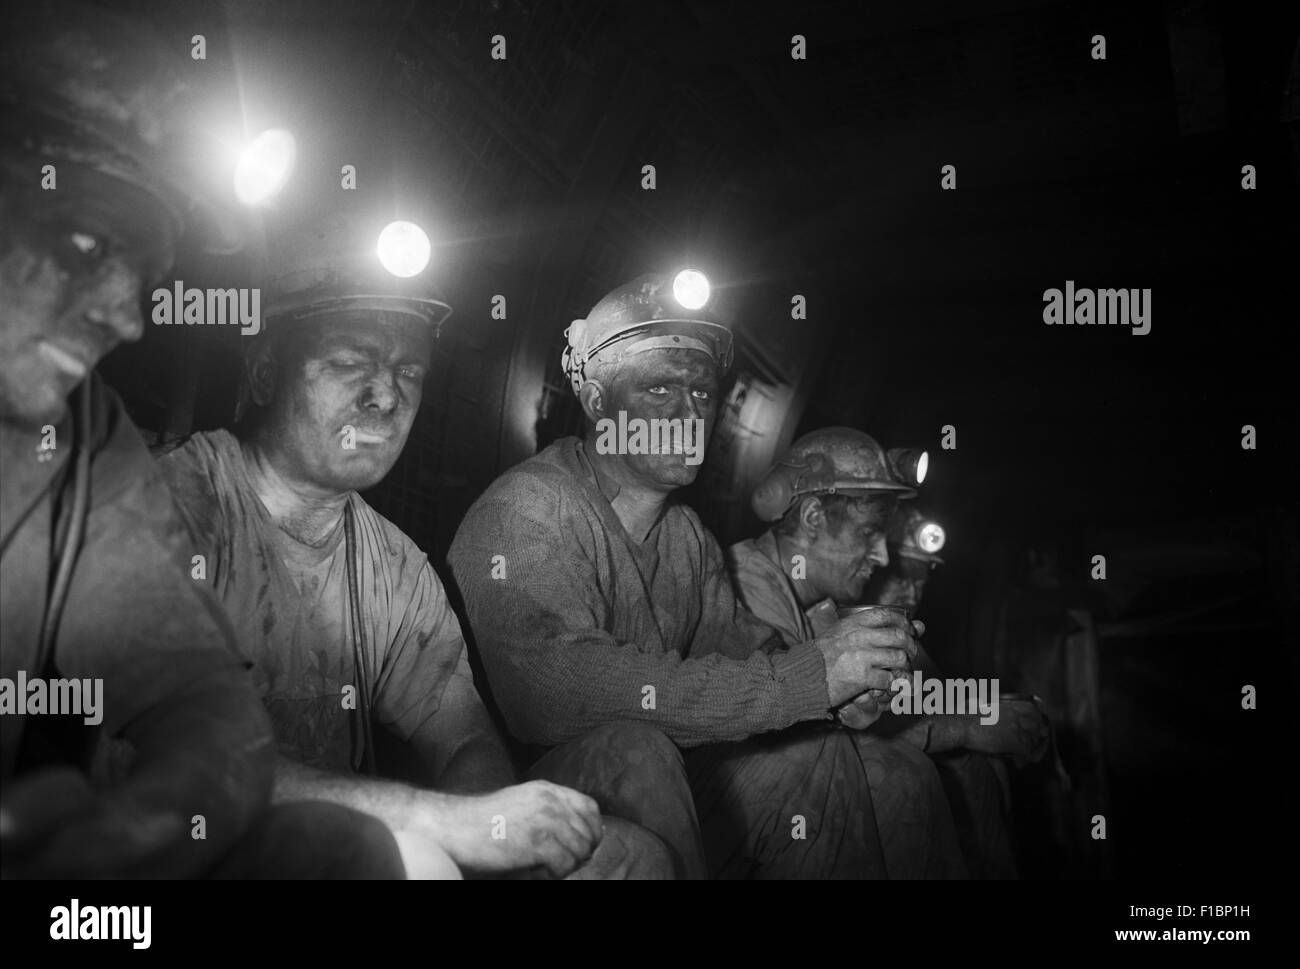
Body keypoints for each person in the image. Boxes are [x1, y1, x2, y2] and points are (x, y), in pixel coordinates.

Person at [1, 1, 403, 879]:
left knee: (341, 855)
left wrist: (140, 826)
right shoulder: (198, 480)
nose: (128, 315)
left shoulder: (85, 435)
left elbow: (199, 699)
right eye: (84, 243)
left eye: (146, 274)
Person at [157, 213, 670, 879]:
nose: (387, 394)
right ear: (263, 373)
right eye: (349, 361)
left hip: (332, 848)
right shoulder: (172, 501)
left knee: (633, 859)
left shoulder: (394, 564)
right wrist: (436, 822)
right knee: (415, 860)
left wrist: (492, 825)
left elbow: (463, 739)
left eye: (409, 370)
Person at [449, 271, 918, 878]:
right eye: (659, 390)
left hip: (663, 774)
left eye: (701, 395)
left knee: (825, 760)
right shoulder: (530, 508)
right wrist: (803, 681)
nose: (687, 413)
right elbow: (550, 697)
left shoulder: (687, 538)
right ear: (597, 402)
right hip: (515, 799)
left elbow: (744, 648)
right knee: (636, 751)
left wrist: (838, 691)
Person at [729, 435, 1047, 877]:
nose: (881, 556)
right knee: (899, 777)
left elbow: (875, 713)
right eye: (868, 533)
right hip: (732, 809)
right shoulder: (747, 586)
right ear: (813, 517)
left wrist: (974, 715)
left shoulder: (818, 608)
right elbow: (802, 736)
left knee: (967, 768)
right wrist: (968, 726)